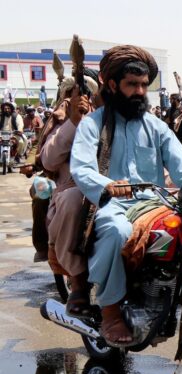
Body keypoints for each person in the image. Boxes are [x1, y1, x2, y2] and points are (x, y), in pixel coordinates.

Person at [70, 45, 182, 345]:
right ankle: (111, 311)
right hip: (113, 204)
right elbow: (80, 167)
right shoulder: (93, 124)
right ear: (114, 85)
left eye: (144, 85)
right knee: (116, 231)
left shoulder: (156, 126)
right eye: (133, 84)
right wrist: (105, 185)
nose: (141, 91)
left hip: (155, 203)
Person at [40, 76, 100, 318]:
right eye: (73, 93)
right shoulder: (59, 120)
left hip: (111, 187)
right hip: (71, 190)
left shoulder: (106, 119)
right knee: (75, 198)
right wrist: (74, 122)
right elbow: (49, 160)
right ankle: (78, 283)